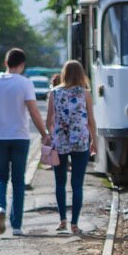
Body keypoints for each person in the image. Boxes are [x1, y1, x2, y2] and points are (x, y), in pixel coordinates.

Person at [0, 48, 49, 237]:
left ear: (6, 63)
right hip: (20, 137)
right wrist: (44, 134)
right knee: (18, 181)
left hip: (0, 138)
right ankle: (17, 225)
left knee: (0, 178)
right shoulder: (25, 83)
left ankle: (0, 207)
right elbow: (34, 112)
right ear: (22, 64)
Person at [45, 60, 97, 234]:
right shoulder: (85, 93)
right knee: (77, 184)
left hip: (60, 142)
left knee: (60, 183)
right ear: (81, 74)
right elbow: (91, 120)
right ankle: (75, 224)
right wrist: (94, 141)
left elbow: (49, 120)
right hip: (80, 141)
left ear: (64, 73)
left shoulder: (54, 92)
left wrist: (53, 135)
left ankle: (62, 221)